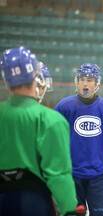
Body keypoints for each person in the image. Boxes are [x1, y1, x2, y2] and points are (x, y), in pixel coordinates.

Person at [0, 47, 84, 216]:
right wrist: (69, 209)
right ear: (35, 76)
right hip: (34, 202)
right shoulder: (51, 120)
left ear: (6, 79)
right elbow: (58, 173)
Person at [55, 63, 103, 216]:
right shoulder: (64, 107)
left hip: (100, 179)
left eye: (89, 79)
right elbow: (55, 144)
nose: (85, 83)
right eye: (82, 79)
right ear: (77, 82)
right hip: (72, 178)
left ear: (97, 84)